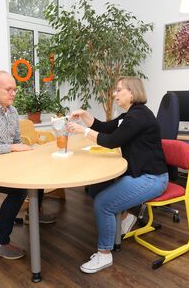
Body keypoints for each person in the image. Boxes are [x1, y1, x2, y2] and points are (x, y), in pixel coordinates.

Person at [66, 76, 168, 274]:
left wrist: (83, 131)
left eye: (119, 90)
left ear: (132, 92)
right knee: (97, 188)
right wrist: (86, 116)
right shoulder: (129, 115)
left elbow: (112, 140)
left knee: (103, 203)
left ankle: (104, 254)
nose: (115, 94)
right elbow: (105, 128)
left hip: (152, 179)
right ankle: (127, 214)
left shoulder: (138, 116)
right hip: (139, 174)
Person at [0, 70, 56, 260]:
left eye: (15, 89)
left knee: (35, 172)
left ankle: (34, 213)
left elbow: (15, 141)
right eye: (9, 89)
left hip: (3, 165)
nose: (13, 93)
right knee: (18, 190)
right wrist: (13, 147)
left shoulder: (13, 112)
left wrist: (23, 148)